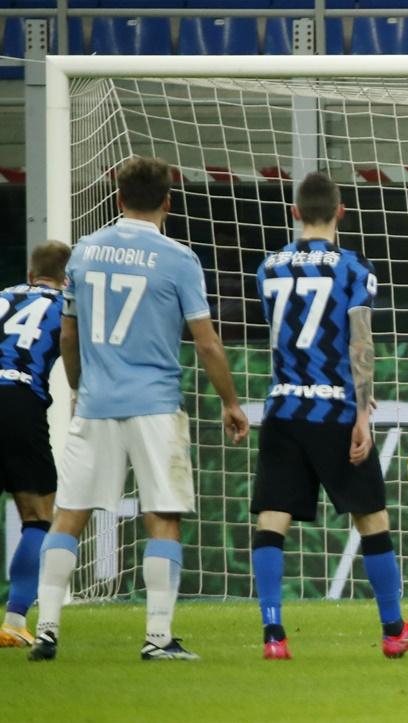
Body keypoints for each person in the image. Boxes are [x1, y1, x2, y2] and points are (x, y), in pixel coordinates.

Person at [28, 157, 249, 662]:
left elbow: (69, 333)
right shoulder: (178, 259)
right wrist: (231, 402)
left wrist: (81, 390)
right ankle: (157, 638)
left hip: (98, 403)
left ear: (118, 198)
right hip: (154, 404)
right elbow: (207, 343)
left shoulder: (83, 252)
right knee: (163, 516)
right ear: (168, 202)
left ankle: (48, 630)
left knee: (68, 515)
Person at [250, 171, 408, 660]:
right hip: (333, 407)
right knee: (371, 516)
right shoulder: (354, 269)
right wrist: (362, 411)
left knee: (273, 517)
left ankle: (274, 636)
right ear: (341, 212)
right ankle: (394, 630)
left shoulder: (268, 268)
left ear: (295, 213)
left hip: (283, 406)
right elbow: (360, 341)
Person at [0, 241, 70, 647]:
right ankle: (13, 621)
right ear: (68, 278)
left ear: (30, 274)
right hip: (20, 401)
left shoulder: (4, 296)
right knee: (38, 514)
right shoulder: (64, 304)